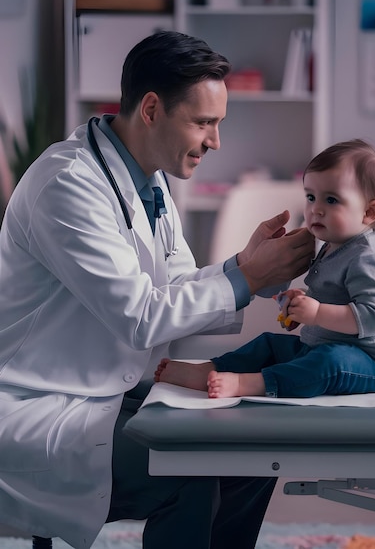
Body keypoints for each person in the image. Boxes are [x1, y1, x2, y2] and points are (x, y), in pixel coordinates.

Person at [0, 30, 316, 549]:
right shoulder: (67, 184)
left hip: (109, 388)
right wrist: (247, 278)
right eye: (204, 122)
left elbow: (171, 291)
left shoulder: (150, 181)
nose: (215, 141)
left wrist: (246, 267)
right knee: (188, 473)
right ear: (151, 109)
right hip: (41, 400)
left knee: (254, 453)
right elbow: (141, 316)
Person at [156, 138, 375, 399]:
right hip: (323, 344)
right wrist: (300, 302)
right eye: (311, 197)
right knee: (269, 344)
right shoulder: (332, 245)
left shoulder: (369, 258)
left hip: (372, 364)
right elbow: (332, 295)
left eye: (331, 200)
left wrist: (317, 312)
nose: (316, 210)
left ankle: (251, 384)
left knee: (328, 363)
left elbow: (371, 317)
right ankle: (211, 370)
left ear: (368, 212)